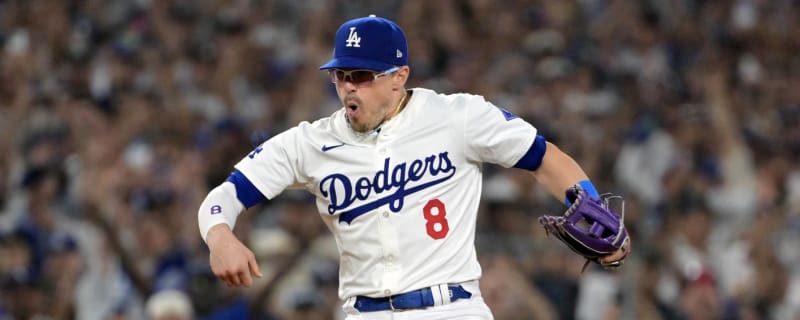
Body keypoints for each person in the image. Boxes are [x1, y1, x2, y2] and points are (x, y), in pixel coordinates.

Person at [198, 15, 630, 319]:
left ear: (398, 76)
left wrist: (592, 210)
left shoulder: (457, 116)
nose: (349, 86)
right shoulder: (311, 142)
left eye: (362, 76)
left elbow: (543, 157)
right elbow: (228, 194)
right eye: (341, 75)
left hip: (454, 309)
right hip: (362, 313)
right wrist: (220, 236)